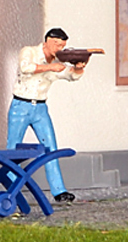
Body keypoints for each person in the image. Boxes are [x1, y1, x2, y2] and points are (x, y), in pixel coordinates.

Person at [7, 27, 87, 203]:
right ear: (47, 41)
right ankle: (12, 189)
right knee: (12, 149)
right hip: (21, 106)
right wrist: (50, 67)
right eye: (56, 44)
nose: (59, 48)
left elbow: (70, 76)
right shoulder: (29, 52)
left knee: (50, 147)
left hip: (40, 109)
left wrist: (78, 69)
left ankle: (59, 190)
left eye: (62, 45)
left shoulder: (59, 62)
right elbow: (25, 67)